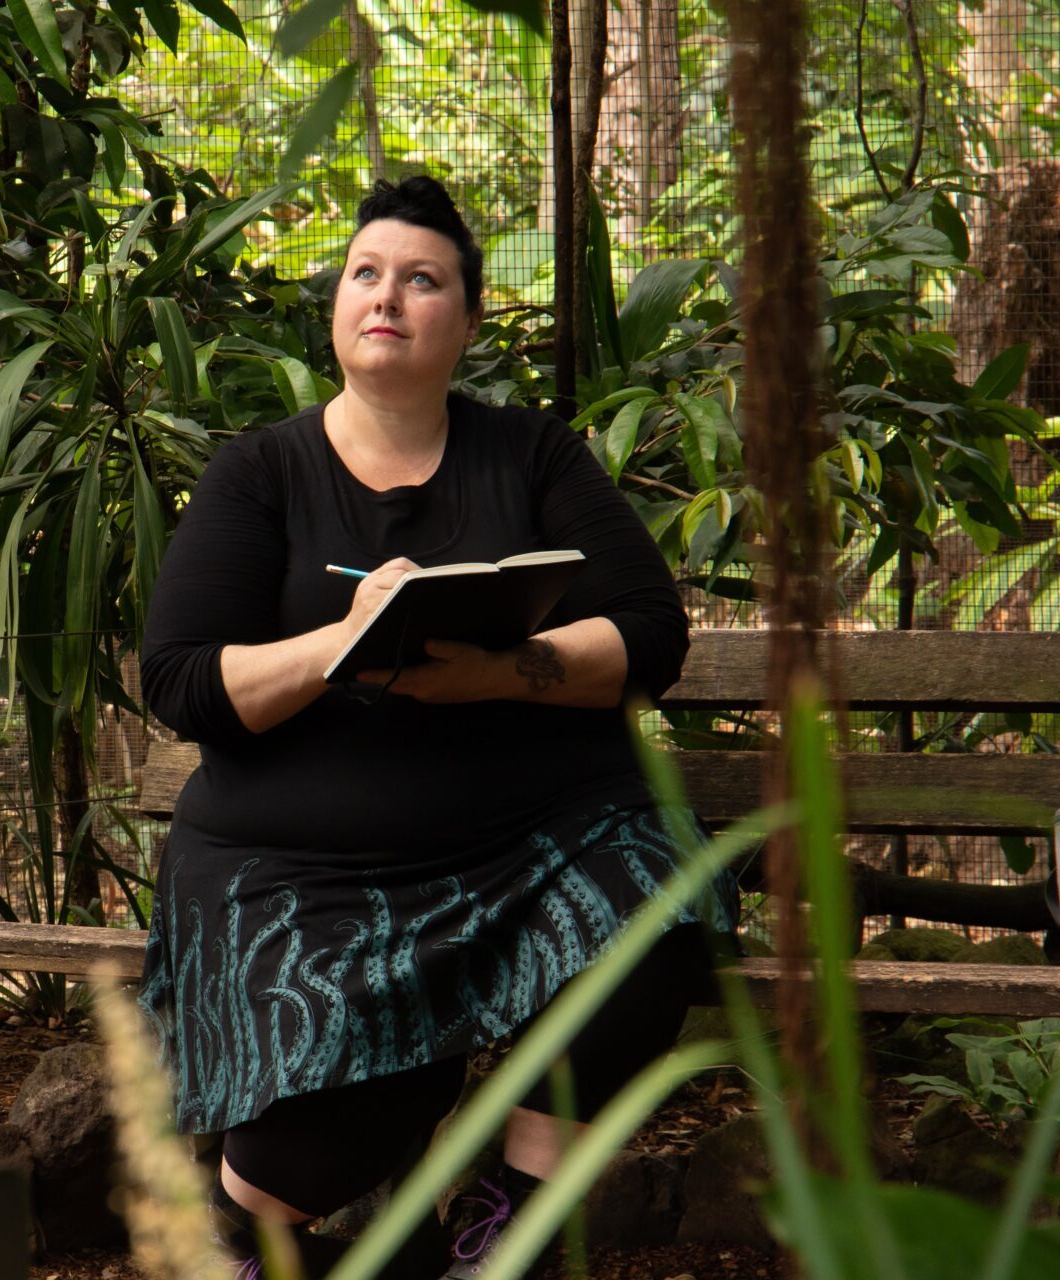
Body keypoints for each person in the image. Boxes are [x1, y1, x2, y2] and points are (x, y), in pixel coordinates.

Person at [137, 175, 737, 1279]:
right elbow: (177, 679)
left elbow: (652, 633)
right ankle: (272, 1220)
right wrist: (344, 639)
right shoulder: (260, 472)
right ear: (335, 309)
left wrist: (503, 671)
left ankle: (501, 1218)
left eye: (422, 279)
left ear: (462, 320)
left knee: (654, 910)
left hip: (530, 843)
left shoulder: (533, 456)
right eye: (365, 273)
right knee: (295, 1159)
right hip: (291, 874)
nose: (387, 295)